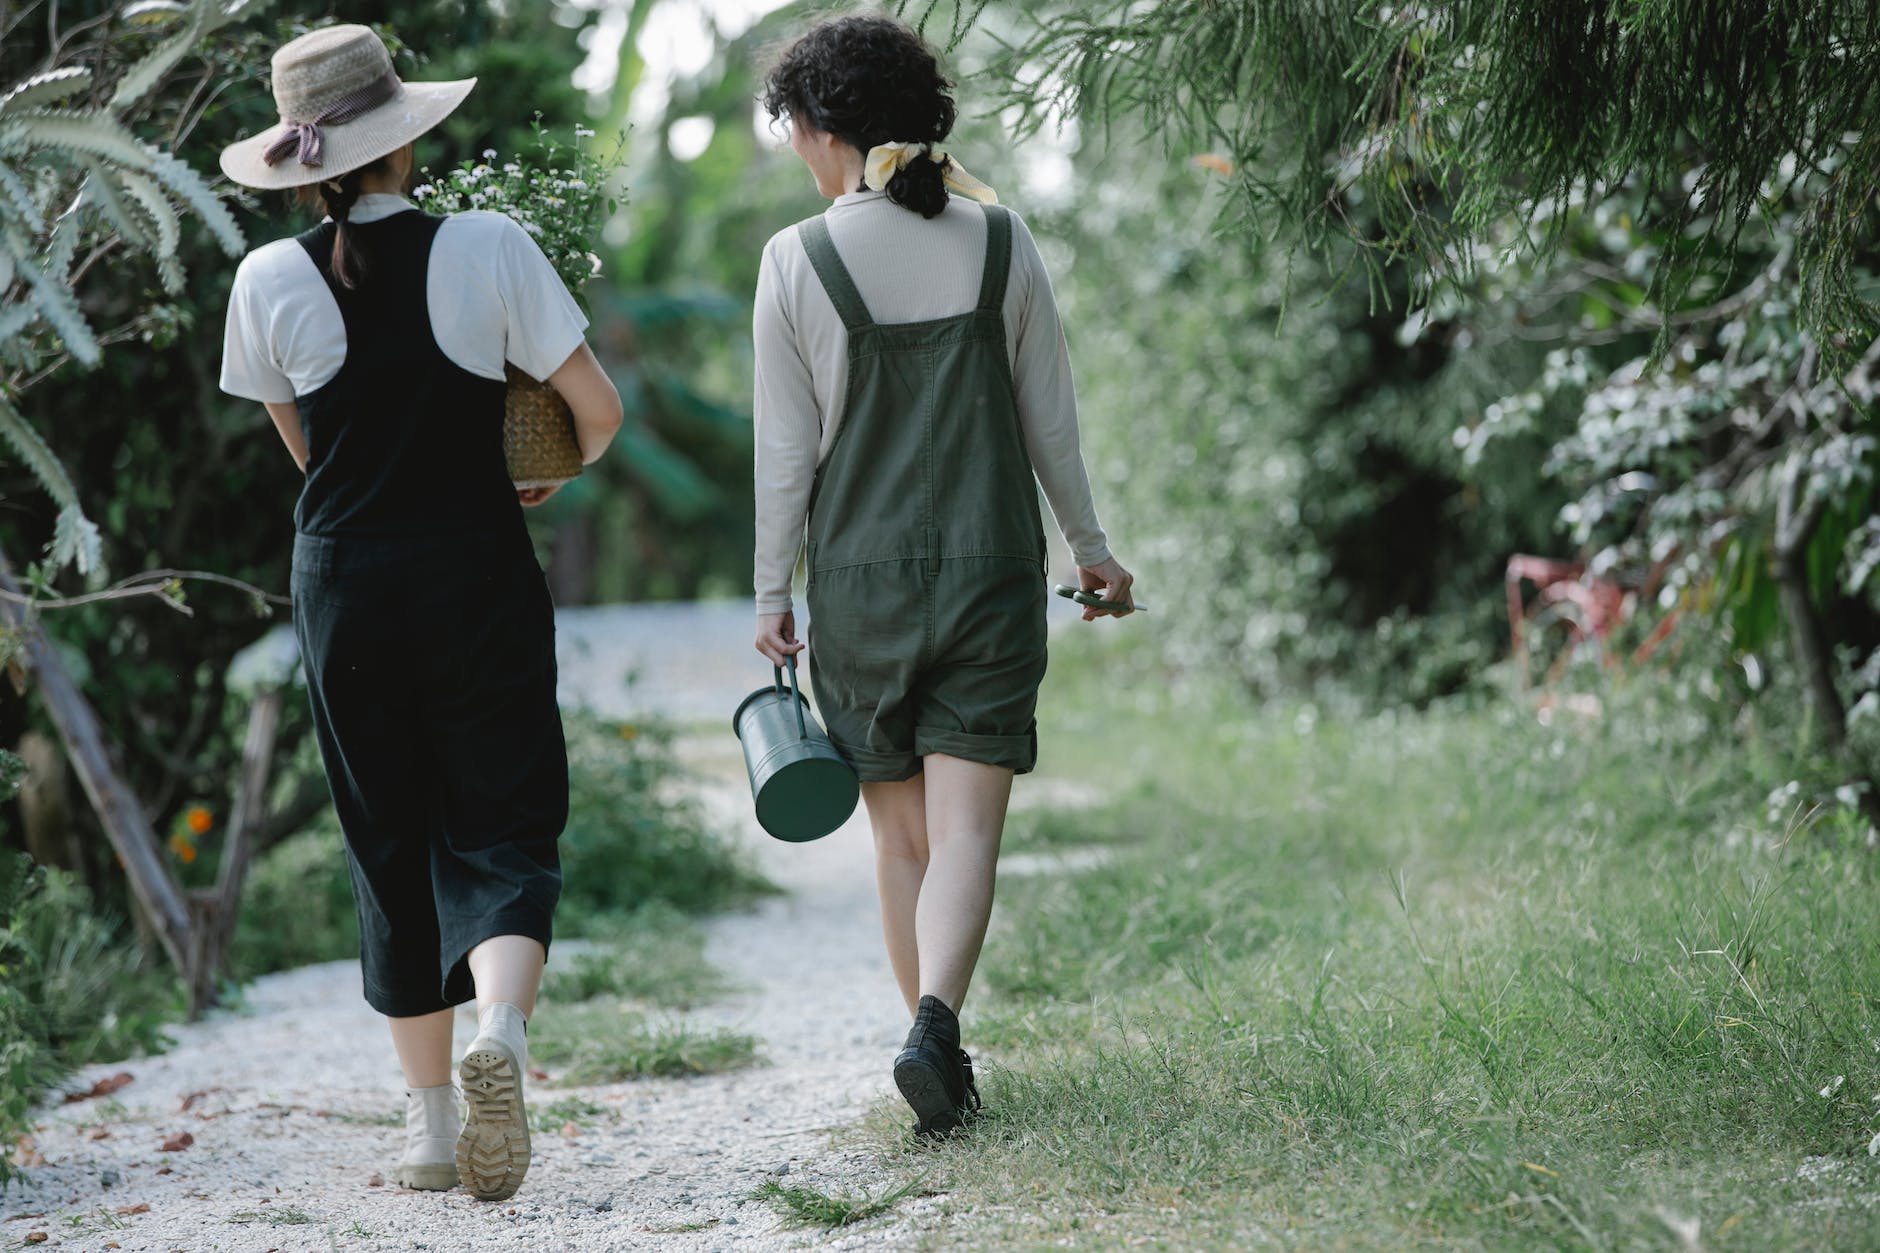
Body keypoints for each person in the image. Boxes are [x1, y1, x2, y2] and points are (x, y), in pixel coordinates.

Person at [216, 25, 622, 1200]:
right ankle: (502, 1028)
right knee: (499, 818)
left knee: (385, 833)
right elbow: (596, 413)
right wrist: (547, 465)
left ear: (301, 164)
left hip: (345, 581)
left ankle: (431, 1128)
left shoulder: (265, 279)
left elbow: (310, 453)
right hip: (474, 565)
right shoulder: (489, 245)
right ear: (403, 142)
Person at [752, 15, 1137, 1136]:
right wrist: (1092, 550)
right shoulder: (1001, 239)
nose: (793, 150)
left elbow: (785, 455)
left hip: (861, 585)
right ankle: (935, 1023)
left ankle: (935, 1062)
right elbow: (1048, 425)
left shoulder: (795, 261)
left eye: (793, 129)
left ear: (826, 129)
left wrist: (772, 592)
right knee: (968, 831)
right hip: (989, 571)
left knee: (901, 838)